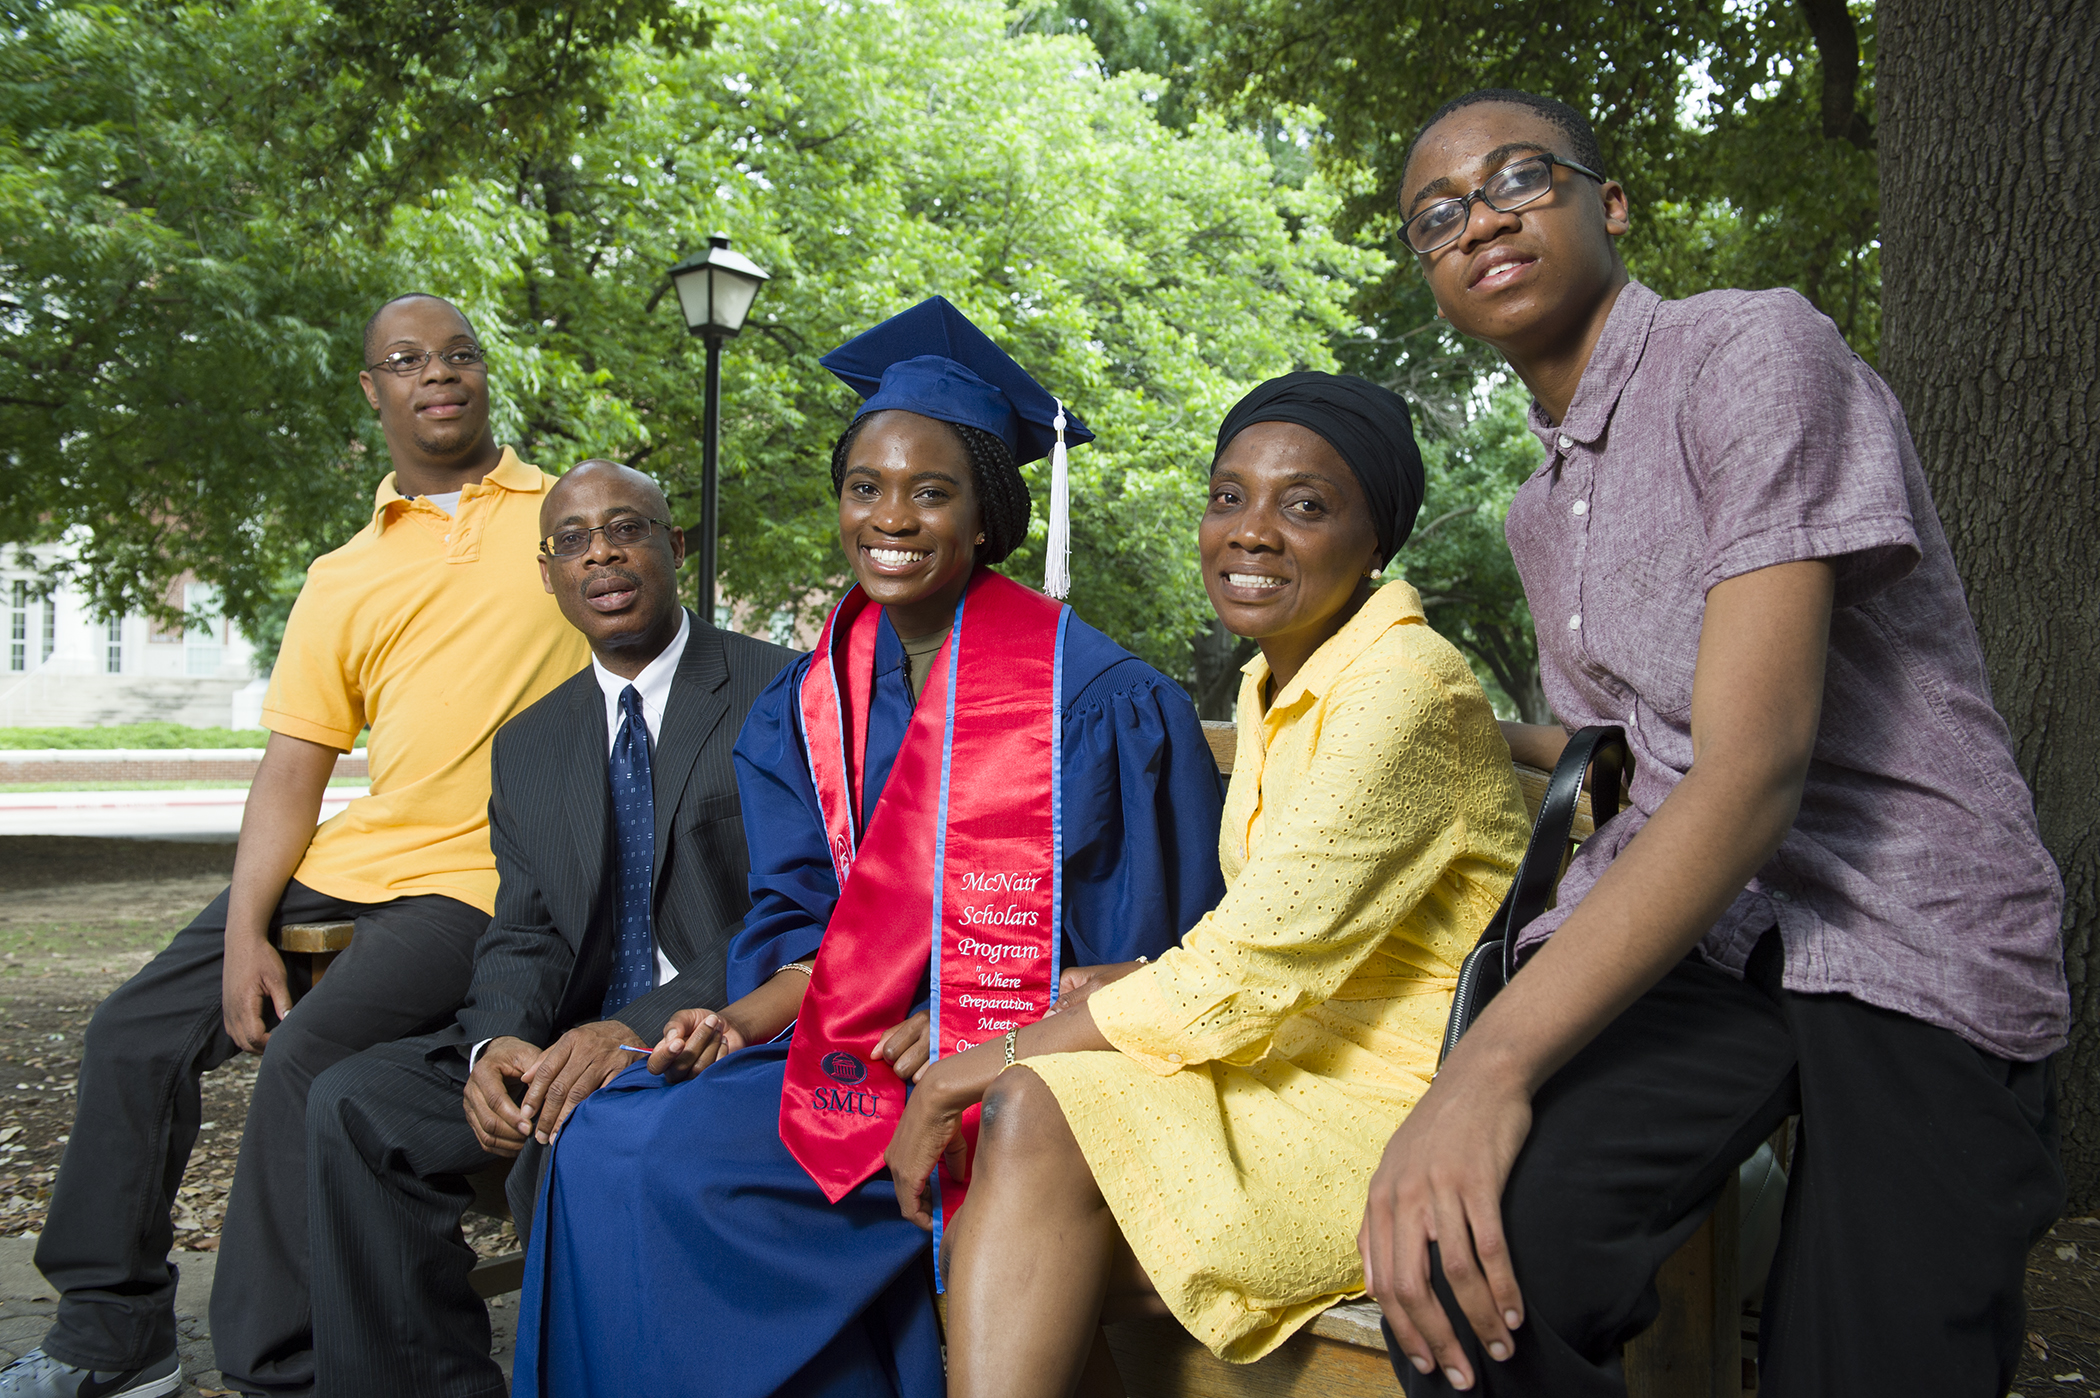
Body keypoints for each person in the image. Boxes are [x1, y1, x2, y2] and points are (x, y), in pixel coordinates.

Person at [1358, 89, 2068, 1396]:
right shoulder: (1540, 510)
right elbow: (1634, 751)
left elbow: (1750, 766)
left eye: (1522, 177)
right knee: (1460, 1286)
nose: (1482, 219)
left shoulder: (1751, 352)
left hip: (1909, 920)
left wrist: (1490, 1064)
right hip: (1719, 928)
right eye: (1439, 215)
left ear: (1610, 203)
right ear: (1433, 275)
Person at [509, 296, 1227, 1398]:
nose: (891, 517)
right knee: (605, 1138)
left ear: (987, 519)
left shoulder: (1101, 704)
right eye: (866, 488)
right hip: (853, 1055)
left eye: (930, 492)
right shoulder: (806, 708)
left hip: (1026, 1078)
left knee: (676, 1167)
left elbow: (1155, 956)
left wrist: (971, 1023)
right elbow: (810, 932)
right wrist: (732, 1016)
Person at [0, 294, 593, 1398]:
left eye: (458, 354)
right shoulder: (343, 573)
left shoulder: (566, 519)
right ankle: (111, 1327)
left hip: (481, 883)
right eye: (407, 360)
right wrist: (240, 937)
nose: (438, 373)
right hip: (356, 855)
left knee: (309, 1064)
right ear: (374, 391)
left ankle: (283, 1367)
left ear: (484, 375)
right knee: (133, 1033)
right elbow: (292, 768)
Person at [914, 371, 1530, 1397]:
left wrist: (957, 1068)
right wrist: (1118, 983)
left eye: (1306, 504)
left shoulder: (1403, 684)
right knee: (1025, 1169)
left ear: (1375, 543)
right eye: (1227, 494)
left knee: (1018, 1166)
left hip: (1396, 1103)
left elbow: (1249, 964)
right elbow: (1280, 928)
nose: (1250, 530)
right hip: (1281, 1056)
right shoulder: (1274, 675)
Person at [301, 459, 797, 1398]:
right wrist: (497, 1043)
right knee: (354, 1103)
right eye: (572, 540)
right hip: (561, 1035)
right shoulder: (533, 741)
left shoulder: (780, 691)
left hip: (711, 1030)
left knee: (589, 1131)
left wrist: (635, 1029)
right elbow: (523, 930)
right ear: (548, 574)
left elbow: (795, 916)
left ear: (674, 547)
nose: (601, 553)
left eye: (627, 529)